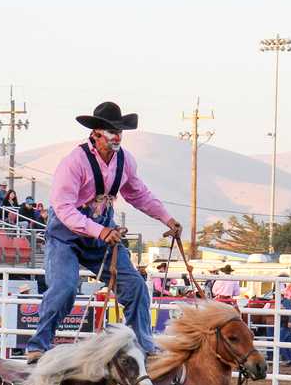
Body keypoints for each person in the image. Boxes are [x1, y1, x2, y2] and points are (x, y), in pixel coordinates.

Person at [24, 102, 180, 362]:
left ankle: (143, 345)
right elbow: (63, 208)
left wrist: (167, 218)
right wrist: (100, 231)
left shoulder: (125, 161)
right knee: (64, 288)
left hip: (101, 236)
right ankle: (38, 345)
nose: (116, 136)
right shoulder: (74, 162)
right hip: (66, 237)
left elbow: (139, 194)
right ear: (95, 133)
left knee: (135, 286)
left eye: (119, 131)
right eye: (110, 131)